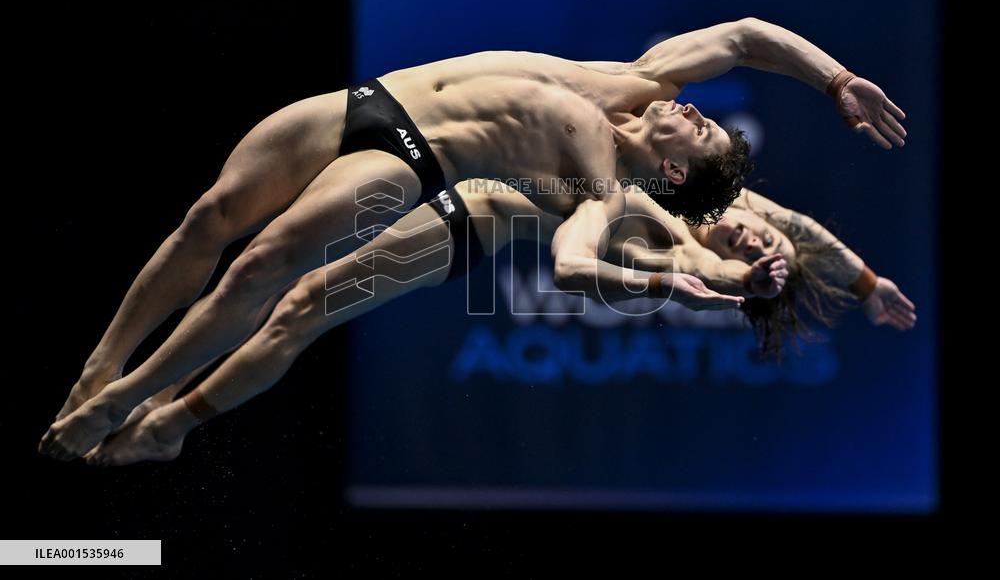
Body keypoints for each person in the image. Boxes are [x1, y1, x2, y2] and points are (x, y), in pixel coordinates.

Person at [41, 17, 907, 460]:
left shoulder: (649, 211)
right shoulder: (647, 84)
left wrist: (699, 281)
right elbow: (747, 39)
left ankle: (157, 415)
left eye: (705, 130)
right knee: (212, 217)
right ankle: (104, 370)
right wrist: (833, 87)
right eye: (758, 220)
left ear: (691, 191)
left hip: (443, 196)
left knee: (289, 287)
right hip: (382, 102)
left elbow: (588, 257)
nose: (694, 109)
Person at [77, 180, 914, 466]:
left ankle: (168, 422)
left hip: (467, 220)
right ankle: (139, 395)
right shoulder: (737, 201)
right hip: (455, 169)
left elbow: (702, 275)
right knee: (263, 261)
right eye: (765, 233)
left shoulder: (691, 251)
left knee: (300, 305)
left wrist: (741, 276)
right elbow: (812, 234)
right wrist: (870, 281)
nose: (760, 229)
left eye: (758, 243)